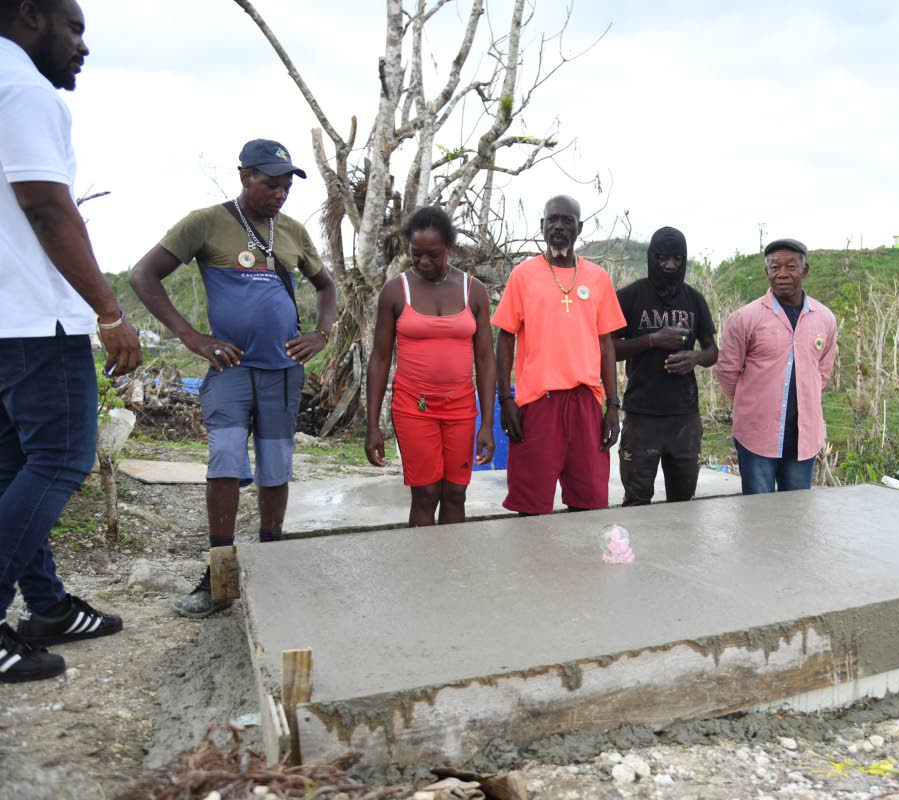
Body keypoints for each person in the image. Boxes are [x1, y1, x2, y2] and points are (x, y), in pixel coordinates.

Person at [129, 139, 336, 618]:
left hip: (283, 372)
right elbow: (144, 274)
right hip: (231, 369)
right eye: (271, 184)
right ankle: (218, 574)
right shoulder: (206, 222)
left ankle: (271, 561)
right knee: (224, 458)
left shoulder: (292, 232)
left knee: (276, 465)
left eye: (286, 186)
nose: (280, 194)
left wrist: (321, 334)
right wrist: (191, 336)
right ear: (245, 176)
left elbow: (326, 286)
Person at [0, 0, 142, 683]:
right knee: (61, 459)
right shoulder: (23, 88)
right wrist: (109, 311)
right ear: (31, 15)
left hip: (5, 323)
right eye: (75, 28)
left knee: (12, 470)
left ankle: (49, 607)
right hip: (36, 321)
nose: (84, 46)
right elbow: (46, 205)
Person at [493, 195, 625, 515]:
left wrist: (612, 405)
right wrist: (505, 400)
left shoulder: (598, 278)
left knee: (589, 501)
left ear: (579, 228)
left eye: (567, 221)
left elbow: (606, 345)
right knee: (531, 505)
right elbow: (505, 338)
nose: (559, 227)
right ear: (542, 226)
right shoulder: (523, 276)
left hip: (586, 402)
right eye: (552, 219)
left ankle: (579, 566)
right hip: (539, 402)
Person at [364, 206, 496, 526]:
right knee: (425, 492)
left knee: (455, 493)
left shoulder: (473, 291)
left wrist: (488, 424)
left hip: (461, 407)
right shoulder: (396, 291)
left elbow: (486, 359)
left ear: (447, 248)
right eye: (416, 254)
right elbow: (380, 358)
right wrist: (372, 426)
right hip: (414, 406)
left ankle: (450, 569)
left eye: (433, 255)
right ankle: (423, 568)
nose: (424, 262)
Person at [715, 238, 837, 494]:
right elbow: (727, 371)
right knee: (758, 514)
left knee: (795, 513)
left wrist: (806, 396)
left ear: (805, 270)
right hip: (757, 435)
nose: (782, 274)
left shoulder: (824, 318)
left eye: (790, 267)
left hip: (803, 438)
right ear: (766, 271)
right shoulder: (745, 318)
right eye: (774, 267)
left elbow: (822, 371)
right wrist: (753, 403)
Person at [613, 226, 717, 505]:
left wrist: (694, 357)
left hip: (684, 416)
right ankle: (634, 550)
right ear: (651, 257)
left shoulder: (694, 299)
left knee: (683, 499)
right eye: (662, 259)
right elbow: (606, 350)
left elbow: (712, 351)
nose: (670, 266)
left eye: (677, 259)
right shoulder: (630, 296)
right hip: (641, 415)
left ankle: (680, 550)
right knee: (637, 498)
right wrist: (652, 340)